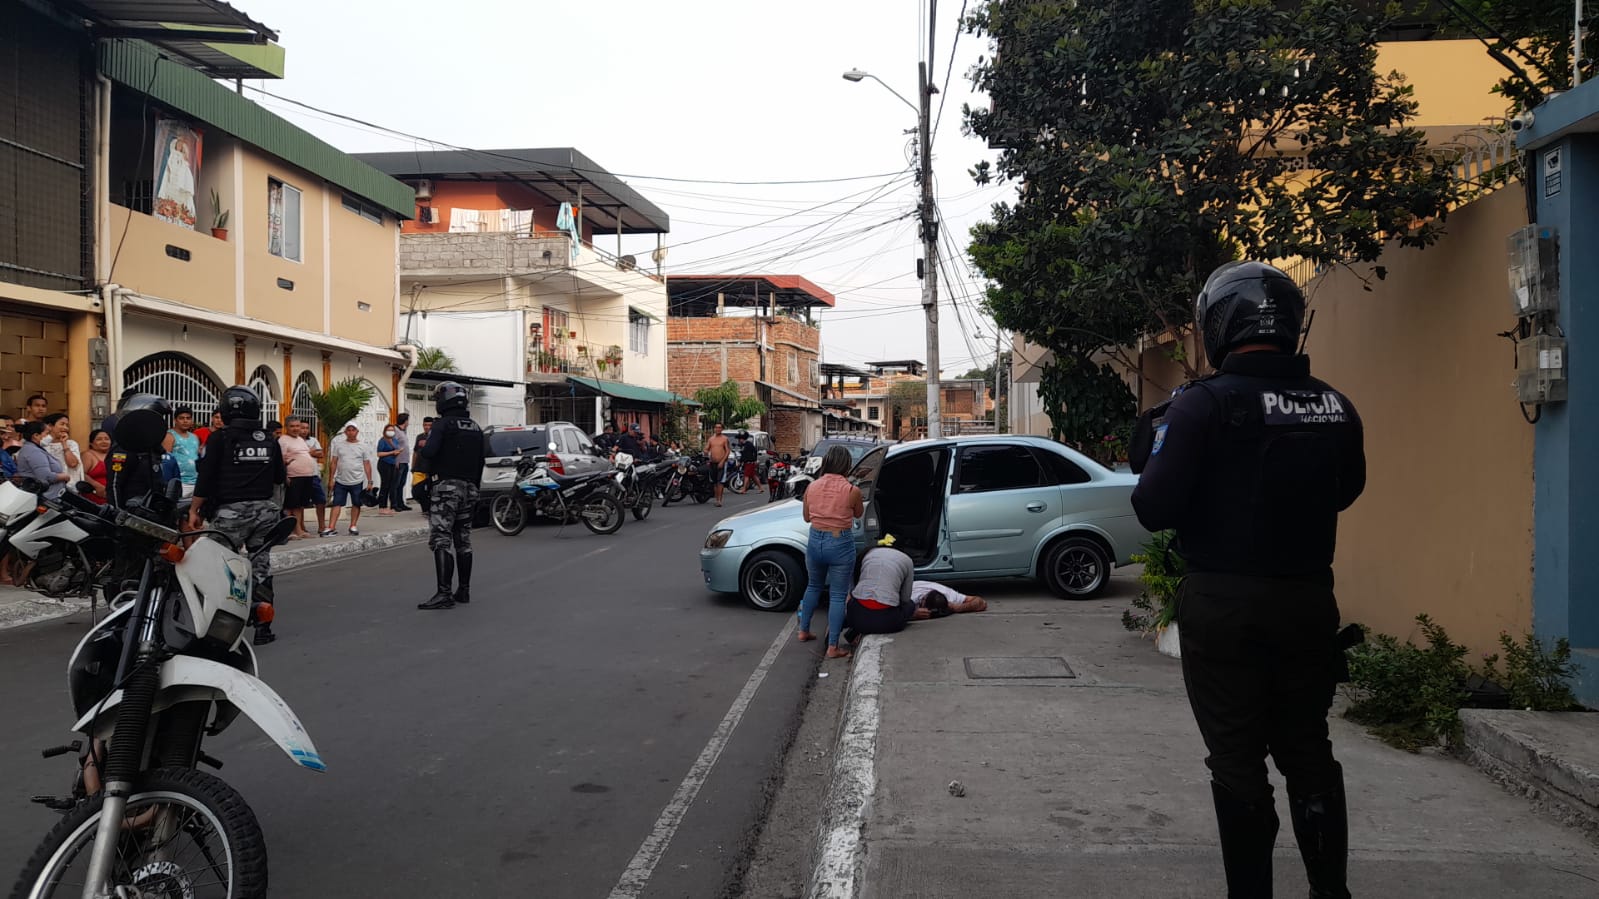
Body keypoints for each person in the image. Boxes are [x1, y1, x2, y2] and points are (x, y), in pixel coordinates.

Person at [1130, 261, 1365, 899]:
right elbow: (1347, 491)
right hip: (1308, 601)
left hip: (1224, 606)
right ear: (1290, 324)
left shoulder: (1201, 405)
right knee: (1308, 751)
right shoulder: (1334, 406)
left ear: (1217, 326)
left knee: (1237, 762)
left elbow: (1153, 508)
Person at [188, 386, 286, 644]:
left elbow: (206, 477)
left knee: (218, 566)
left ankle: (219, 625)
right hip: (265, 512)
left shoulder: (220, 439)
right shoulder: (269, 439)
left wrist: (194, 509)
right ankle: (263, 627)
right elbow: (279, 478)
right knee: (260, 566)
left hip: (231, 513)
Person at [416, 381, 485, 610]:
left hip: (446, 488)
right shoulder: (475, 427)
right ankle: (463, 590)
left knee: (441, 539)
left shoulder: (443, 425)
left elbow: (429, 451)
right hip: (470, 489)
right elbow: (481, 461)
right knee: (463, 540)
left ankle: (443, 593)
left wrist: (425, 447)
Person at [797, 444, 864, 659]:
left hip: (815, 540)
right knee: (837, 595)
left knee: (813, 585)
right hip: (840, 543)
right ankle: (833, 646)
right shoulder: (852, 490)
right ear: (846, 464)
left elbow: (807, 517)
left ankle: (803, 631)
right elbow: (858, 514)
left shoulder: (812, 487)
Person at [841, 544, 917, 641]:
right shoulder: (907, 560)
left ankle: (850, 633)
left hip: (857, 618)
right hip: (886, 623)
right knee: (910, 605)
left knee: (859, 605)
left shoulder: (868, 554)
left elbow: (853, 591)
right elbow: (905, 598)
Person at [325, 424, 376, 536]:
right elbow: (333, 462)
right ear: (345, 432)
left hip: (357, 480)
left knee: (356, 503)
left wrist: (370, 481)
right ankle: (331, 527)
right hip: (340, 480)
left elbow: (367, 464)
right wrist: (331, 479)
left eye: (353, 430)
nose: (351, 432)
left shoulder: (363, 446)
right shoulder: (338, 445)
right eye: (349, 430)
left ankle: (353, 525)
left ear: (357, 431)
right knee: (336, 503)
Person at [279, 416, 317, 538]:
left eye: (297, 426)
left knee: (300, 505)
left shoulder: (300, 440)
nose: (295, 429)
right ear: (286, 427)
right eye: (292, 426)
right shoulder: (283, 440)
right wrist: (285, 476)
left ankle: (299, 529)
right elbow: (281, 460)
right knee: (291, 506)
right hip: (293, 477)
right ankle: (289, 531)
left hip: (306, 476)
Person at [14, 421, 68, 498]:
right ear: (36, 435)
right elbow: (45, 476)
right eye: (47, 433)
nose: (49, 436)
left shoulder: (35, 448)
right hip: (45, 497)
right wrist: (65, 476)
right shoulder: (33, 451)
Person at [162, 406, 202, 497]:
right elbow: (166, 462)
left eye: (188, 418)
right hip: (180, 482)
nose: (185, 421)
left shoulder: (194, 437)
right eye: (181, 418)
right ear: (175, 420)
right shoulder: (169, 436)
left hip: (196, 482)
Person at [375, 423, 403, 517]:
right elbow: (379, 454)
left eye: (392, 430)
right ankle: (382, 507)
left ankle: (390, 506)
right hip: (384, 464)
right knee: (385, 485)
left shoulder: (394, 440)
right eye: (389, 430)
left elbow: (397, 450)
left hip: (393, 464)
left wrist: (397, 457)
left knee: (392, 485)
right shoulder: (382, 441)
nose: (390, 432)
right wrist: (392, 452)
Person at [80, 428, 112, 505]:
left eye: (106, 439)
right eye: (99, 439)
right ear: (91, 443)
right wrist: (97, 486)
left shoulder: (114, 455)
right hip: (95, 494)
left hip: (112, 496)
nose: (104, 441)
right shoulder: (88, 455)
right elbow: (82, 474)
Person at [390, 412, 413, 511]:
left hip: (405, 461)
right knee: (396, 484)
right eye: (408, 420)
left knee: (402, 484)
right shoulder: (395, 430)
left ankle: (401, 503)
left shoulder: (403, 431)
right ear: (405, 421)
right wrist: (396, 460)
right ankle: (394, 504)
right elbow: (393, 445)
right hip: (399, 461)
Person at [705, 422, 731, 507]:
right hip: (712, 463)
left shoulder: (724, 439)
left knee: (720, 482)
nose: (718, 429)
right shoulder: (711, 439)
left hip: (721, 463)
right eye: (716, 427)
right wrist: (705, 452)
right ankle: (716, 499)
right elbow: (706, 448)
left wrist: (722, 461)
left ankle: (719, 500)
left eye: (719, 427)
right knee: (714, 482)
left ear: (722, 429)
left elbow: (727, 451)